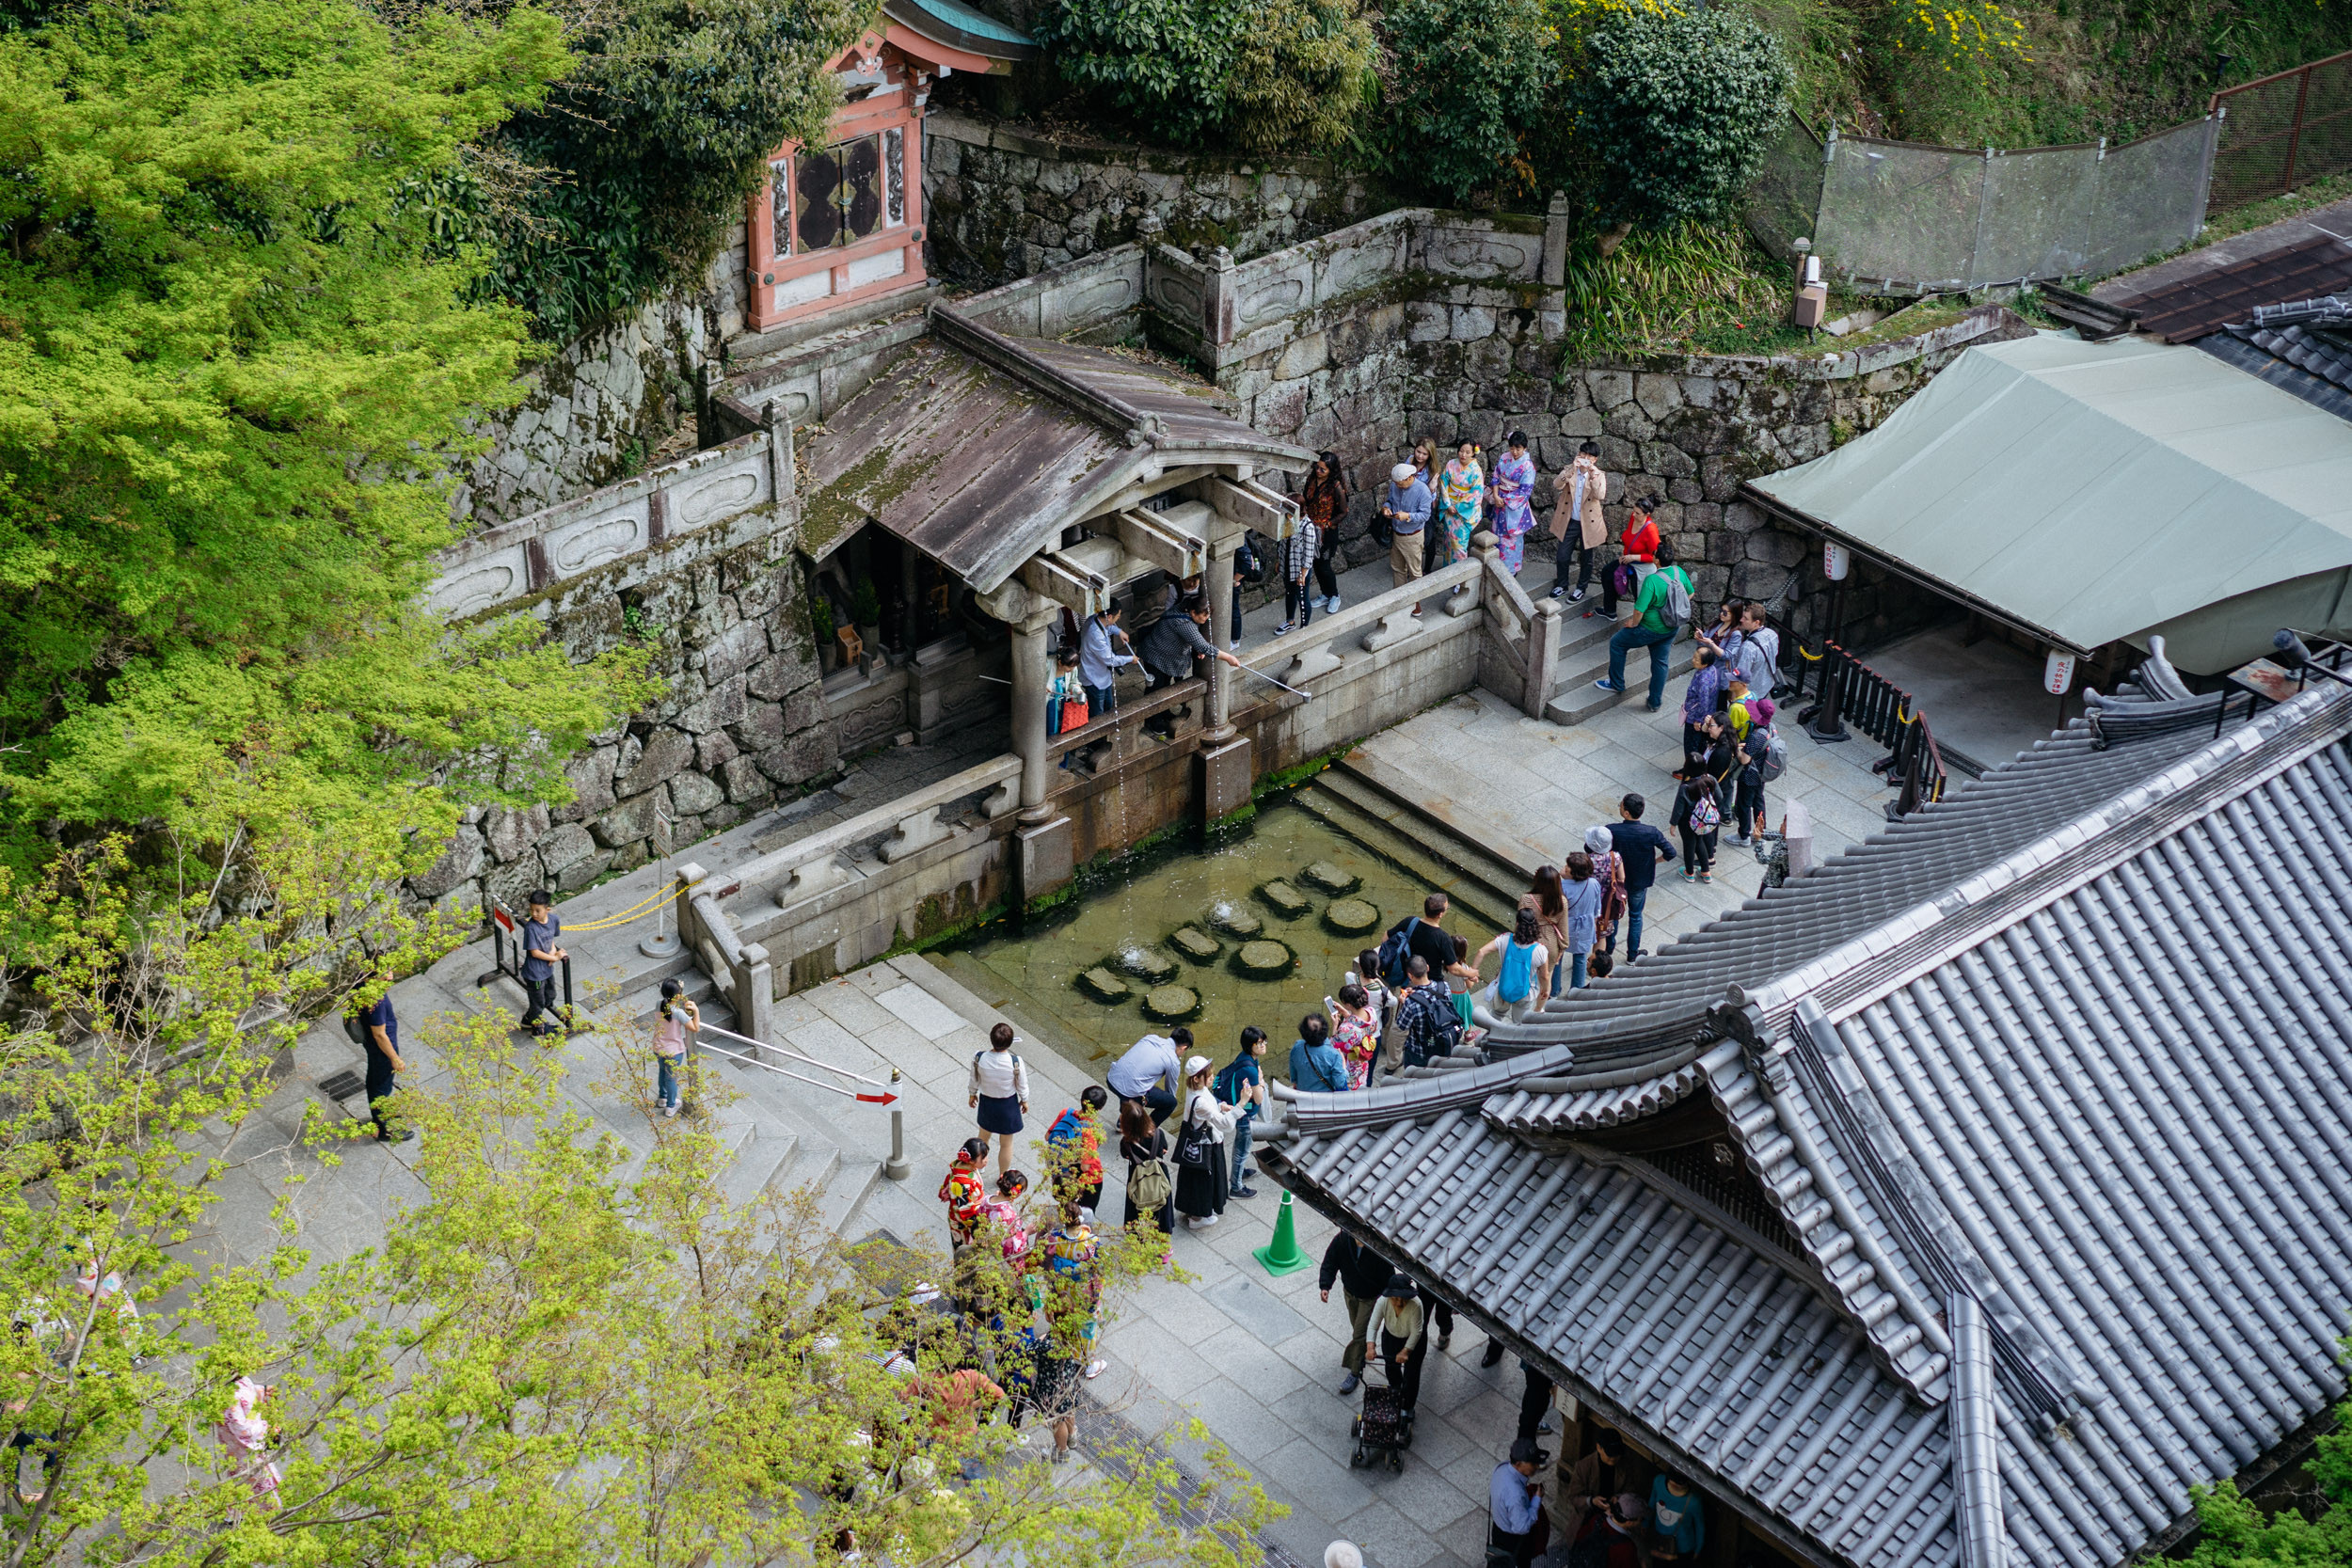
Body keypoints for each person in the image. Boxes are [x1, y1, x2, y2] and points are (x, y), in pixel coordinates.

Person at [1594, 534, 1692, 712]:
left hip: (1649, 628)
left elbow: (1639, 610)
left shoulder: (1652, 580)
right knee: (1660, 663)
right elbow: (1690, 594)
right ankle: (1654, 702)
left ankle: (1616, 683)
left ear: (1656, 560)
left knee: (1617, 643)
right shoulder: (1680, 573)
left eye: (1654, 555)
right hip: (1671, 628)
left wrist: (1632, 623)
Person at [1317, 1228, 1394, 1394]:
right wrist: (1325, 1285)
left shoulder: (1377, 1248)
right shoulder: (1342, 1240)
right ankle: (1364, 1349)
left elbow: (1389, 1276)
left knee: (1359, 1335)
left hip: (1370, 1299)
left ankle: (1354, 1371)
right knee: (1358, 1329)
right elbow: (1330, 1262)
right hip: (1350, 1293)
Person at [1606, 794, 1677, 962]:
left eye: (1621, 806)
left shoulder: (1612, 830)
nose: (1620, 807)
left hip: (1617, 881)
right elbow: (1670, 852)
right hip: (1639, 881)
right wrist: (1654, 862)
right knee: (1636, 916)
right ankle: (1632, 955)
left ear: (1627, 813)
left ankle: (1607, 951)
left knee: (1614, 914)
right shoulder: (1650, 832)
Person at [1172, 1054, 1234, 1229]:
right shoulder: (1198, 1101)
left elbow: (1210, 1105)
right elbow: (1225, 1124)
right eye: (1209, 1075)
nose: (1212, 1078)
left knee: (1194, 1180)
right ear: (1197, 1078)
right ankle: (1198, 1218)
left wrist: (1220, 1106)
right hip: (1206, 1144)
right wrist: (1241, 1104)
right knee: (1204, 1182)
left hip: (1197, 1144)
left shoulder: (1195, 1091)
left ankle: (1194, 1212)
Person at [967, 1022, 1031, 1179]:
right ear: (1010, 1043)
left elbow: (974, 1078)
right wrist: (1024, 1100)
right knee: (1006, 1143)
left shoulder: (979, 1057)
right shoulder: (1015, 1062)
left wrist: (972, 1093)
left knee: (983, 1137)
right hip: (1007, 1105)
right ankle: (1003, 1175)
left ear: (991, 1039)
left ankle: (978, 1166)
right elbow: (1022, 1084)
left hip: (987, 1102)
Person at [1213, 1027, 1270, 1197]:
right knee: (1242, 1150)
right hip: (1245, 1113)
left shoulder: (1245, 1058)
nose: (1263, 1046)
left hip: (1240, 1108)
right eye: (1259, 1043)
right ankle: (1236, 1187)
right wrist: (1260, 1080)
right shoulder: (1251, 1069)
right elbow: (1258, 1099)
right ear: (1249, 1046)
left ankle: (1239, 1172)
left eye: (1264, 1041)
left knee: (1241, 1148)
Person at [354, 985, 413, 1144]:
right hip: (383, 1050)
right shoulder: (377, 1001)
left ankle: (380, 1118)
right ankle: (385, 1128)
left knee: (375, 1081)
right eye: (385, 975)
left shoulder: (363, 986)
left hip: (373, 1046)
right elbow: (380, 1035)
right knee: (382, 1086)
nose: (390, 978)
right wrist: (395, 1058)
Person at [1550, 440, 1607, 604]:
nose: (1585, 458)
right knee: (1562, 555)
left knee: (1586, 558)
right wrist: (1571, 470)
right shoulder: (1570, 469)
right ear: (1579, 454)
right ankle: (1562, 585)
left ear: (1595, 459)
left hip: (1589, 523)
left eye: (1590, 456)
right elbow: (1557, 485)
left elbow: (1600, 494)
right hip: (1569, 520)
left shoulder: (1599, 474)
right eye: (1583, 454)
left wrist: (1593, 475)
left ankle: (1581, 588)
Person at [1473, 908, 1549, 1024]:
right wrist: (1545, 990)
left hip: (1504, 989)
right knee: (1519, 1024)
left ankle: (1490, 1037)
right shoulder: (1540, 950)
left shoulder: (1504, 939)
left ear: (1517, 923)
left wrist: (1473, 972)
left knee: (1496, 1016)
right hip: (1526, 994)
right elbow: (1544, 976)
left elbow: (1481, 952)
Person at [1596, 495, 1661, 621]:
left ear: (1647, 514)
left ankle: (1643, 624)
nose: (1634, 515)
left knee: (1640, 597)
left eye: (1637, 513)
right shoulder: (1633, 518)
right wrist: (1626, 556)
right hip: (1629, 559)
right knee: (1608, 573)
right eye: (1633, 511)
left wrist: (1633, 557)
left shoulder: (1651, 530)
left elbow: (1654, 557)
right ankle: (1610, 611)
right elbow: (1629, 539)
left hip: (1643, 566)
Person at [1118, 1098, 1174, 1240]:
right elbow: (1165, 1150)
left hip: (1138, 1177)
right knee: (1161, 1205)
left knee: (1137, 1206)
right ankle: (1164, 1241)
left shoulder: (1126, 1142)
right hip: (1158, 1174)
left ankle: (1139, 1237)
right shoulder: (1158, 1135)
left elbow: (1126, 1156)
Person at [1045, 1085, 1109, 1210]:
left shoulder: (1066, 1112)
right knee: (1086, 1212)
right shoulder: (1090, 1130)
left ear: (1082, 1100)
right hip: (1087, 1179)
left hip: (1061, 1171)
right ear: (1100, 1108)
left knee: (1066, 1207)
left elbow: (1048, 1136)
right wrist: (1097, 1142)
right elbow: (1085, 1166)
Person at [1488, 1438, 1549, 1568]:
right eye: (1533, 1463)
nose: (1537, 1466)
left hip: (1498, 1529)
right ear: (1520, 1463)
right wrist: (1537, 1499)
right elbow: (1522, 1527)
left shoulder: (1501, 1468)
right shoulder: (1516, 1495)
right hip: (1513, 1540)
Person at [1301, 451, 1348, 613]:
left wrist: (1328, 524)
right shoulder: (1311, 480)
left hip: (1326, 533)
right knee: (1315, 562)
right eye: (1317, 467)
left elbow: (1343, 511)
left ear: (1331, 471)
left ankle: (1334, 595)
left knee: (1324, 565)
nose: (1318, 471)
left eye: (1323, 469)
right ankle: (1325, 594)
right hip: (1310, 528)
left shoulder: (1336, 487)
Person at [1373, 1275, 1426, 1418]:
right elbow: (1373, 1325)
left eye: (1403, 1298)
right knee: (1391, 1366)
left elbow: (1417, 1332)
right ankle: (1395, 1389)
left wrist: (1405, 1351)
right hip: (1391, 1336)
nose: (1399, 1302)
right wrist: (1370, 1346)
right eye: (1395, 1298)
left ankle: (1408, 1407)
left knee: (1412, 1374)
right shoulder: (1383, 1302)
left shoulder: (1416, 1305)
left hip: (1412, 1341)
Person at [1396, 955, 1462, 1067]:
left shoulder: (1410, 1002)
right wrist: (1416, 992)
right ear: (1427, 968)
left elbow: (1401, 1025)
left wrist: (1403, 1003)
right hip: (1443, 1043)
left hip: (1420, 1052)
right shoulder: (1444, 987)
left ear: (1410, 975)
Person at [1106, 1030, 1185, 1124]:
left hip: (1111, 1078)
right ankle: (1146, 1131)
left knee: (1134, 1081)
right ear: (1183, 1048)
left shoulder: (1150, 1038)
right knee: (1171, 1103)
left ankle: (1124, 1119)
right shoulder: (1173, 1061)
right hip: (1131, 1092)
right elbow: (1170, 1090)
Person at [1486, 431, 1536, 576]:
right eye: (1512, 448)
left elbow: (1525, 491)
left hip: (1514, 507)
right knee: (1497, 534)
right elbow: (1496, 476)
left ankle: (1510, 570)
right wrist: (1495, 495)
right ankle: (1495, 567)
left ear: (1525, 448)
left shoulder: (1528, 467)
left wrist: (1505, 500)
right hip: (1499, 501)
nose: (1514, 452)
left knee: (1512, 539)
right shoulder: (1504, 458)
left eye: (1518, 449)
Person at [518, 890, 565, 1038]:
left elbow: (551, 938)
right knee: (538, 1002)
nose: (534, 914)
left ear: (547, 910)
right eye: (531, 910)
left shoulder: (554, 920)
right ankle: (537, 1029)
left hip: (547, 970)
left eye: (538, 910)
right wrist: (554, 958)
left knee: (550, 996)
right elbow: (534, 952)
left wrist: (553, 952)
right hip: (534, 973)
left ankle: (528, 1019)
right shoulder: (531, 928)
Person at [1730, 698, 1777, 847]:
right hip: (1761, 774)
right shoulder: (1771, 728)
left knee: (1744, 804)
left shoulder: (1756, 735)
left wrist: (1737, 750)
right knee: (1758, 802)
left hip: (1750, 776)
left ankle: (1743, 836)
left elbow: (1744, 760)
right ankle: (1760, 833)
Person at [1381, 461, 1432, 594]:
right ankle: (1398, 597)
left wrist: (1408, 516)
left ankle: (1415, 602)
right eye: (1396, 483)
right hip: (1397, 534)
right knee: (1397, 569)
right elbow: (1390, 500)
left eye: (1400, 483)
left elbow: (1425, 515)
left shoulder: (1423, 491)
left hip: (1412, 537)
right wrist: (1387, 508)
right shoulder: (1395, 486)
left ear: (1409, 478)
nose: (1397, 485)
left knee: (1414, 571)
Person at [1521, 866, 1570, 1001]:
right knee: (1545, 978)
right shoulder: (1562, 901)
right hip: (1551, 945)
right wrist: (1561, 950)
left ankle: (1525, 1004)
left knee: (1526, 977)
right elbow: (1564, 929)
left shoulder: (1526, 899)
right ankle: (1539, 1009)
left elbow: (1519, 924)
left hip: (1530, 942)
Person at [1078, 602, 1135, 719]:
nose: (1118, 618)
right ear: (1109, 616)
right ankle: (1098, 736)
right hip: (1093, 677)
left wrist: (1119, 631)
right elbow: (1110, 659)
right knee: (1097, 712)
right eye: (1118, 616)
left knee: (1108, 704)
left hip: (1103, 675)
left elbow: (1109, 627)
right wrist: (1130, 659)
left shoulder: (1095, 619)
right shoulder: (1094, 634)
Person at [654, 975, 698, 1120]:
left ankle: (663, 1098)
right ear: (677, 995)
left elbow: (669, 1008)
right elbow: (694, 1028)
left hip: (659, 1047)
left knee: (662, 1072)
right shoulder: (678, 1013)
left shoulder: (659, 1004)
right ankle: (671, 1107)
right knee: (671, 1078)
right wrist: (695, 1011)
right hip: (674, 1051)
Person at [1565, 1493, 1650, 1568]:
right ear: (1629, 1522)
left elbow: (1579, 1538)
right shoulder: (1627, 1549)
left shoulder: (1597, 1520)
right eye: (1641, 1519)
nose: (1640, 1523)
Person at [1560, 851, 1604, 991]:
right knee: (1580, 957)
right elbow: (1597, 907)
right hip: (1586, 925)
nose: (1565, 867)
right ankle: (1576, 991)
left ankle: (1554, 990)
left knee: (1557, 958)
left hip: (1565, 926)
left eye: (1568, 866)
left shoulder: (1562, 887)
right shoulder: (1593, 883)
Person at [1436, 440, 1484, 564]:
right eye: (1461, 451)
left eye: (1468, 452)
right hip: (1449, 508)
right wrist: (1448, 504)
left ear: (1473, 453)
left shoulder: (1476, 470)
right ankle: (1448, 572)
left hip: (1463, 512)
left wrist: (1457, 507)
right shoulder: (1451, 464)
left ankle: (1460, 577)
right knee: (1448, 542)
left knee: (1459, 544)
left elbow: (1476, 493)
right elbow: (1443, 482)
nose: (1463, 455)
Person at [1671, 767, 1721, 884]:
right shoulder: (1708, 780)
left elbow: (1678, 808)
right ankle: (1706, 872)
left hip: (1688, 821)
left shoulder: (1685, 787)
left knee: (1689, 845)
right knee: (1699, 842)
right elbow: (1719, 796)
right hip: (1702, 819)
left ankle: (1689, 873)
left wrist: (1673, 823)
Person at [1583, 826, 1626, 964]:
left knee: (1582, 933)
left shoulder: (1586, 860)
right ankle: (1595, 965)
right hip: (1607, 903)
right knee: (1602, 935)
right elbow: (1621, 878)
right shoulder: (1616, 857)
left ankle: (1580, 962)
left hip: (1587, 901)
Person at [939, 1137, 990, 1251]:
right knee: (964, 1252)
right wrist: (979, 1230)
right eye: (983, 1157)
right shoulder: (963, 1184)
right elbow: (967, 1212)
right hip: (963, 1222)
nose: (986, 1160)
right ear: (971, 1161)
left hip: (962, 1212)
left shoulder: (962, 1167)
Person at [1278, 507, 1321, 635]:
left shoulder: (1307, 527)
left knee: (1302, 598)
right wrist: (1278, 561)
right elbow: (1282, 543)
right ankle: (1290, 622)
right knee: (1290, 593)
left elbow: (1308, 554)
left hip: (1299, 570)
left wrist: (1302, 574)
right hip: (1287, 565)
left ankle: (1304, 628)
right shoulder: (1288, 521)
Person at [1328, 983, 1380, 1089]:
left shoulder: (1347, 1029)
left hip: (1350, 1066)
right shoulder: (1371, 1011)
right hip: (1362, 1062)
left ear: (1349, 1005)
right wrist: (1345, 1013)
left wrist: (1335, 1025)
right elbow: (1360, 1023)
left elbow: (1333, 1046)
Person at [1679, 643, 1724, 759]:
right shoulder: (1712, 669)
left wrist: (1698, 720)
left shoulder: (1703, 679)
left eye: (1696, 659)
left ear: (1705, 663)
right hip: (1708, 713)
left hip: (1696, 716)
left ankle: (1691, 769)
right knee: (1701, 743)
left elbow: (1703, 700)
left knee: (1691, 744)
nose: (1693, 660)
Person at [1049, 644, 1089, 770]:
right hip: (1048, 705)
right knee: (1049, 733)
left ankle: (1062, 764)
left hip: (1064, 705)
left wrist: (1078, 691)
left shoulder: (1073, 669)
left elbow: (1074, 682)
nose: (1071, 671)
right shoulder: (1046, 664)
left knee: (1064, 731)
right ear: (1060, 663)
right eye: (1068, 669)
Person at [978, 1169, 1032, 1262]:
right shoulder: (1009, 1215)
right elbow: (1010, 1245)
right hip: (997, 1253)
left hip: (983, 1239)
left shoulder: (987, 1199)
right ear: (1016, 1194)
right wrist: (1026, 1233)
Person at [1649, 1473, 1705, 1561]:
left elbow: (1700, 1526)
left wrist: (1698, 1549)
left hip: (1683, 1548)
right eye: (1673, 1483)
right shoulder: (1659, 1481)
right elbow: (1651, 1503)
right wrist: (1645, 1523)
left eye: (1679, 1484)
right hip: (1659, 1540)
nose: (1674, 1486)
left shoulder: (1694, 1502)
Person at [1290, 1013, 1349, 1094]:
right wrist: (1343, 1066)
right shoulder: (1334, 1055)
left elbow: (1293, 1076)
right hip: (1325, 1099)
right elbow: (1339, 1083)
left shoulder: (1297, 1047)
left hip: (1303, 1096)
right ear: (1325, 1030)